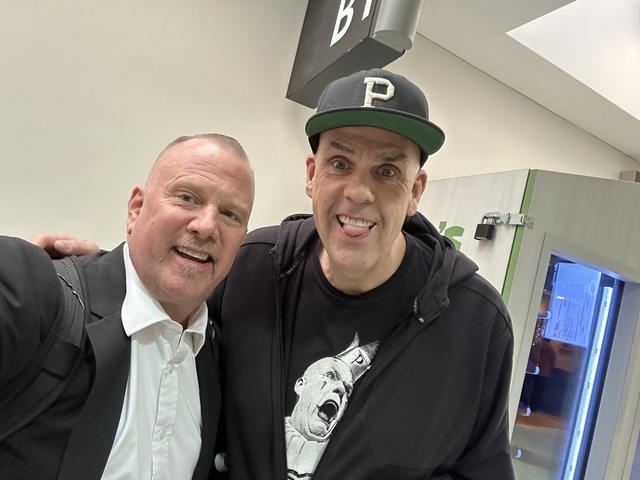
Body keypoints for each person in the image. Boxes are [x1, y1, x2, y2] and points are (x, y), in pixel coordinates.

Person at [33, 69, 516, 479]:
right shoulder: (253, 267)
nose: (359, 192)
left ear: (416, 190)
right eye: (340, 163)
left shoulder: (475, 322)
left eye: (387, 172)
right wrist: (104, 274)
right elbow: (174, 308)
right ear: (311, 175)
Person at [0, 133, 255, 479]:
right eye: (187, 198)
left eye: (230, 214)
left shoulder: (218, 356)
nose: (207, 226)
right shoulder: (37, 291)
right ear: (136, 209)